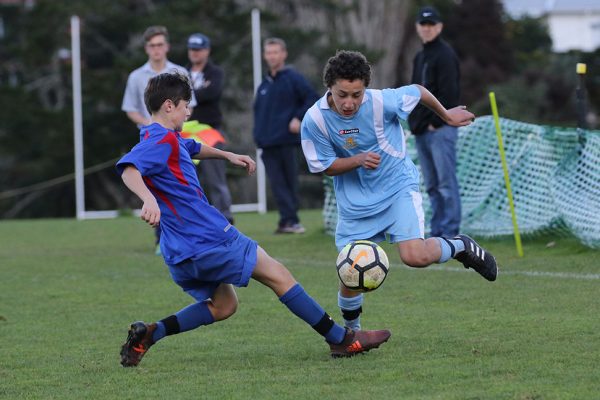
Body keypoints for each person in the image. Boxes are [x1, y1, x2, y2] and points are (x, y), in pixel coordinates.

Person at [117, 72, 391, 367]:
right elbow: (128, 169)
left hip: (180, 249)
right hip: (208, 236)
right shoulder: (159, 141)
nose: (189, 110)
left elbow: (191, 147)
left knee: (224, 306)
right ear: (169, 105)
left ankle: (149, 335)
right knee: (278, 275)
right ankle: (342, 339)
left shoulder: (158, 135)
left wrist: (228, 155)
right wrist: (148, 199)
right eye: (186, 105)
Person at [300, 50, 497, 331]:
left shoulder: (382, 102)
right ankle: (352, 333)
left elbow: (418, 91)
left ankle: (460, 246)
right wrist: (357, 160)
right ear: (329, 87)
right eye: (343, 94)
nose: (349, 102)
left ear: (365, 89)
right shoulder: (315, 120)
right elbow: (322, 166)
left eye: (357, 95)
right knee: (350, 272)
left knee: (414, 257)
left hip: (397, 188)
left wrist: (446, 116)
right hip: (355, 203)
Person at [121, 25, 196, 255]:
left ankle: (189, 233)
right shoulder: (136, 77)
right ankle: (161, 238)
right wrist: (152, 126)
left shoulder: (180, 72)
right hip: (151, 140)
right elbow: (130, 108)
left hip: (176, 137)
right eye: (152, 45)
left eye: (160, 45)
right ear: (146, 48)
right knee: (154, 186)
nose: (156, 49)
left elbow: (189, 105)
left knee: (182, 184)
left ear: (167, 47)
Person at [253, 38, 319, 234]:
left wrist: (298, 118)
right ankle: (286, 221)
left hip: (286, 142)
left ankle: (291, 221)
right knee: (277, 184)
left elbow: (312, 97)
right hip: (267, 143)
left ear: (284, 54)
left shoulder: (293, 78)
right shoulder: (263, 85)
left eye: (275, 52)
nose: (272, 56)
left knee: (289, 183)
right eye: (268, 52)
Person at [409, 6, 462, 238]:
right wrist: (416, 123)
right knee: (431, 185)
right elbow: (413, 93)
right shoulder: (420, 57)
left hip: (440, 130)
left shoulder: (446, 55)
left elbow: (450, 94)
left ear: (439, 27)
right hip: (422, 132)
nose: (427, 29)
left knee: (445, 184)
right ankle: (437, 230)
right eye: (423, 25)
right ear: (418, 28)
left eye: (431, 25)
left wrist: (436, 122)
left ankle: (450, 232)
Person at [186, 33, 234, 225]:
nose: (195, 53)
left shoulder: (215, 72)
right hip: (186, 133)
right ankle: (194, 221)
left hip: (209, 132)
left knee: (216, 179)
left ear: (207, 51)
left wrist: (188, 96)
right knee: (189, 180)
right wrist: (197, 94)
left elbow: (212, 92)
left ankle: (225, 218)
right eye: (192, 49)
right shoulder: (182, 71)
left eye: (198, 49)